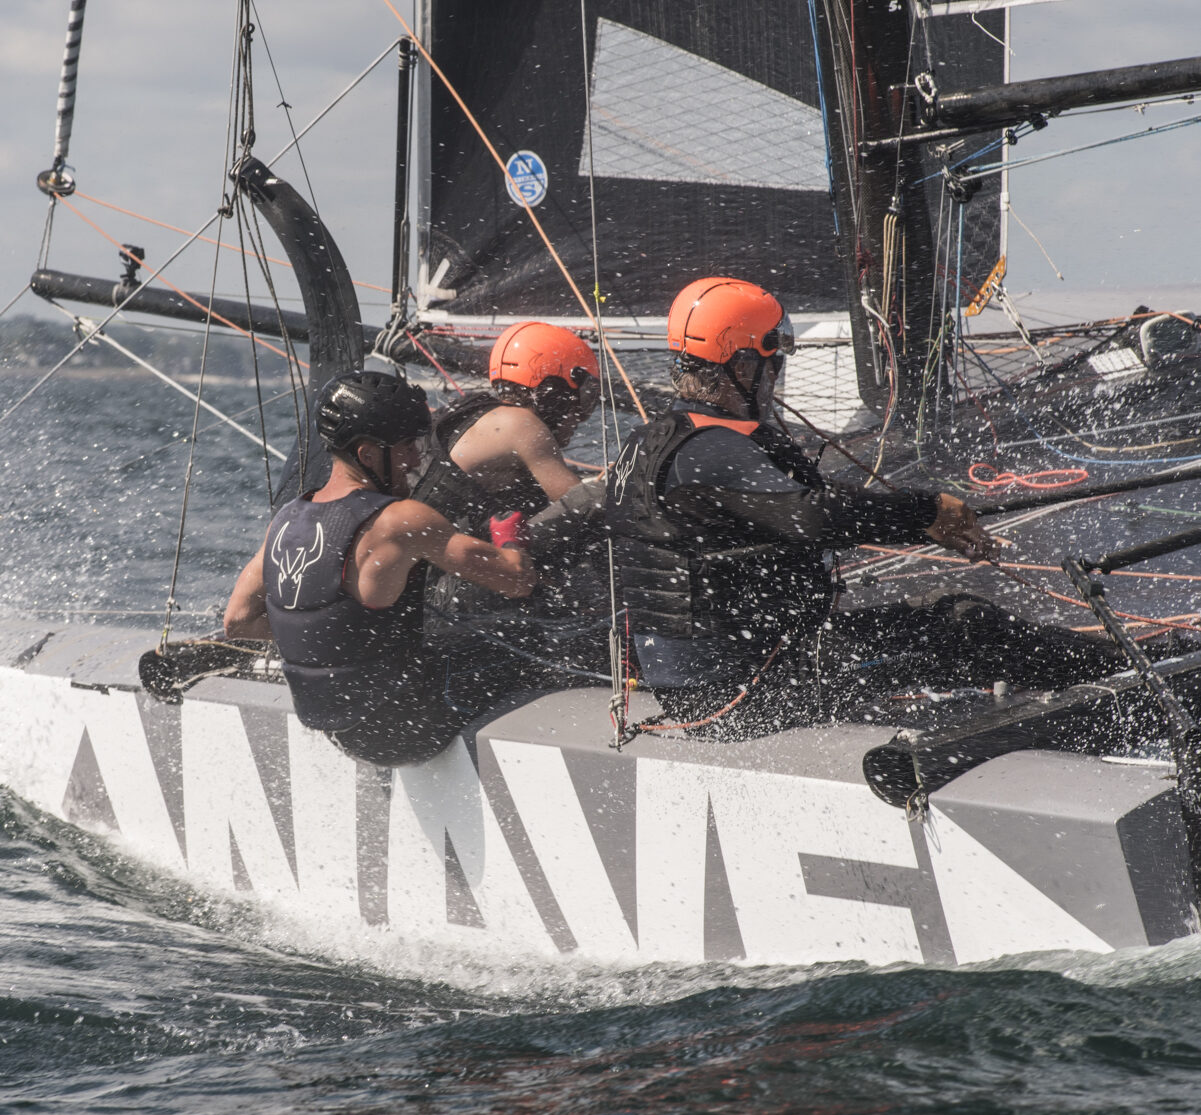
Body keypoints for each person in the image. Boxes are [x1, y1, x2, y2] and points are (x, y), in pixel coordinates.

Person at [606, 276, 1123, 736]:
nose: (775, 378)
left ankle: (1099, 684)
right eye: (772, 364)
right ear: (743, 364)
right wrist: (926, 512)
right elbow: (815, 516)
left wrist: (521, 541)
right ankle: (1130, 685)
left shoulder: (647, 443)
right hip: (744, 697)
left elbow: (577, 517)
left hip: (703, 684)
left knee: (934, 619)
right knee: (961, 624)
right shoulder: (712, 449)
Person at [224, 370, 536, 766]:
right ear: (368, 454)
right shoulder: (399, 520)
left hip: (340, 731)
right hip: (410, 729)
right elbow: (517, 580)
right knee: (534, 647)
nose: (416, 458)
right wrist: (511, 535)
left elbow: (237, 621)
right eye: (406, 445)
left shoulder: (285, 521)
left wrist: (329, 636)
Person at [413, 321, 611, 657]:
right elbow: (581, 505)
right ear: (551, 394)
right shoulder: (522, 424)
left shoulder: (471, 413)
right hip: (448, 595)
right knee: (596, 499)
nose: (580, 416)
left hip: (430, 590)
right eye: (580, 399)